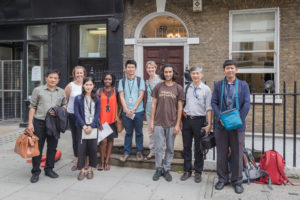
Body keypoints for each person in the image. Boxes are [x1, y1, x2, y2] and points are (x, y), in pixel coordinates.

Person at [211, 60, 250, 194]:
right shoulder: (218, 85)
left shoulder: (243, 85)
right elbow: (214, 102)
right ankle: (222, 179)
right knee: (221, 154)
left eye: (232, 68)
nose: (230, 70)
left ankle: (237, 181)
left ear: (236, 70)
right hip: (221, 126)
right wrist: (220, 118)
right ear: (224, 70)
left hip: (237, 126)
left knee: (237, 154)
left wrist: (237, 119)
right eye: (227, 68)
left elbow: (246, 104)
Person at [28, 69, 67, 183]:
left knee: (52, 147)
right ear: (46, 78)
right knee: (37, 148)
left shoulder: (61, 92)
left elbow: (64, 105)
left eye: (55, 78)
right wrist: (30, 123)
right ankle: (35, 172)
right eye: (51, 77)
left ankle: (49, 169)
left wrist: (58, 111)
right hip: (39, 122)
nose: (53, 80)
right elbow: (32, 107)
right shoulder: (38, 90)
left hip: (54, 123)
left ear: (58, 80)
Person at [150, 63, 184, 182]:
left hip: (172, 123)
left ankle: (167, 169)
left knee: (170, 148)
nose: (168, 74)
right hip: (159, 122)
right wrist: (152, 122)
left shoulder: (178, 88)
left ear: (173, 73)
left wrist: (178, 124)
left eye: (170, 72)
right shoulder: (158, 87)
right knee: (158, 147)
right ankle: (159, 168)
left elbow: (180, 108)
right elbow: (153, 104)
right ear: (163, 73)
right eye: (166, 72)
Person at [181, 66, 212, 183]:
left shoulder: (206, 89)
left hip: (200, 121)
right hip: (187, 120)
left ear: (202, 75)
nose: (195, 76)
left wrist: (209, 124)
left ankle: (198, 171)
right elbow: (182, 103)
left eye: (197, 73)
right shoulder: (186, 88)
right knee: (186, 147)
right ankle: (187, 170)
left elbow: (209, 108)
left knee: (199, 148)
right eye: (193, 73)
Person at [118, 60, 145, 162]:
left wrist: (133, 109)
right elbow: (121, 96)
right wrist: (126, 109)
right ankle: (126, 152)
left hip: (138, 111)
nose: (130, 69)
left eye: (132, 67)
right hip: (126, 112)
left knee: (139, 132)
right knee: (128, 132)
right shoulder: (122, 81)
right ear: (125, 68)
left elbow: (141, 95)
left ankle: (139, 152)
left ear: (135, 68)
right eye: (128, 67)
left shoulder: (140, 80)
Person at [74, 77, 100, 180]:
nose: (88, 87)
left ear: (93, 86)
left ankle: (90, 169)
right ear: (83, 86)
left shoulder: (97, 98)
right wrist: (84, 126)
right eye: (86, 85)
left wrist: (92, 126)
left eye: (90, 85)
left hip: (93, 127)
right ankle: (81, 170)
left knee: (93, 149)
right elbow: (77, 113)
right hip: (81, 127)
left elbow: (98, 113)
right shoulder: (78, 98)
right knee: (81, 149)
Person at [65, 66, 86, 171]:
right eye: (77, 73)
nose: (79, 75)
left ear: (84, 74)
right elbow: (65, 101)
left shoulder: (87, 85)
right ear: (74, 74)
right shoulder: (70, 86)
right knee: (76, 138)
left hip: (85, 116)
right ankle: (77, 160)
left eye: (81, 73)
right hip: (73, 115)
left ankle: (85, 160)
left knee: (85, 138)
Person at [97, 73, 119, 171]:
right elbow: (95, 105)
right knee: (103, 141)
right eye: (106, 79)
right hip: (102, 120)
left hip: (112, 120)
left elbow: (120, 104)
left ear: (112, 80)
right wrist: (97, 119)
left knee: (110, 140)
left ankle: (107, 161)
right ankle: (101, 162)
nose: (107, 81)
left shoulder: (116, 91)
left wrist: (118, 115)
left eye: (109, 79)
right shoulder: (99, 91)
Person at [144, 61, 161, 161]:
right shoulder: (147, 81)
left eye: (152, 68)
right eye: (148, 68)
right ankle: (152, 151)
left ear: (155, 68)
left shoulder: (160, 79)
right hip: (149, 108)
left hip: (158, 108)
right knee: (150, 132)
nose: (150, 69)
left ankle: (161, 152)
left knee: (159, 132)